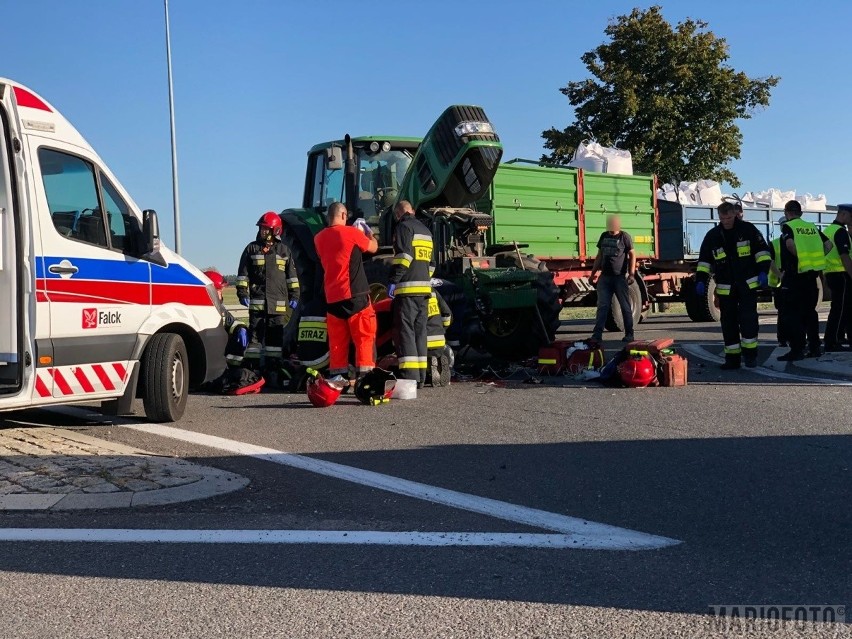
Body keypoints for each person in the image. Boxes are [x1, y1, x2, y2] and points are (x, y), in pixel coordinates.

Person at [695, 201, 771, 369]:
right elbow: (704, 261)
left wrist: (763, 271)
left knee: (748, 321)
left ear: (735, 214)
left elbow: (763, 252)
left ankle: (750, 356)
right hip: (725, 287)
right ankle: (732, 359)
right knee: (728, 324)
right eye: (722, 218)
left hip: (747, 285)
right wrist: (700, 280)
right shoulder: (713, 236)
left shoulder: (748, 230)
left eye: (729, 217)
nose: (726, 221)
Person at [314, 202, 378, 383]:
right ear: (343, 215)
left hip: (332, 298)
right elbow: (373, 248)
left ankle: (338, 378)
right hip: (355, 295)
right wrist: (371, 236)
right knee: (364, 337)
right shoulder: (352, 233)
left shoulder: (318, 238)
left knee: (337, 342)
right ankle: (366, 377)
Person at [236, 212, 300, 374]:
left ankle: (273, 368)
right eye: (262, 228)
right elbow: (243, 275)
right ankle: (253, 368)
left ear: (276, 230)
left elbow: (292, 277)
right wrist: (242, 293)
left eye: (266, 228)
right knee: (255, 338)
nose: (263, 231)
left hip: (277, 306)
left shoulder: (284, 251)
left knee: (275, 339)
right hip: (257, 304)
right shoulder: (251, 249)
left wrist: (295, 295)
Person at [776, 200, 832, 361]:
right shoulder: (812, 227)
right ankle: (815, 347)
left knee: (793, 315)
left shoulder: (788, 226)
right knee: (810, 313)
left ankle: (797, 349)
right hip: (812, 277)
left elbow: (790, 245)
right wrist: (816, 261)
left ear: (786, 213)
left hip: (795, 277)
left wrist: (801, 259)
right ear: (801, 213)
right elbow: (829, 245)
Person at [388, 200, 434, 387]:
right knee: (420, 334)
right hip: (424, 291)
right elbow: (431, 264)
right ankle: (422, 377)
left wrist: (393, 280)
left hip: (407, 291)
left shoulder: (403, 228)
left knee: (406, 334)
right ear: (412, 211)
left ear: (398, 214)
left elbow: (404, 257)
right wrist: (424, 280)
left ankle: (410, 378)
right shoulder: (426, 231)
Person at [589, 215, 636, 343]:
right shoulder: (604, 236)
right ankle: (597, 335)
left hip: (619, 278)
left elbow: (632, 255)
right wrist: (593, 273)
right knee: (602, 306)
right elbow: (599, 256)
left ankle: (629, 334)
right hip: (605, 278)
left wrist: (631, 274)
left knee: (625, 306)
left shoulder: (624, 237)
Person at [822, 204, 852, 351]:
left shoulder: (828, 230)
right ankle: (832, 341)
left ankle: (837, 338)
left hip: (831, 273)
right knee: (839, 309)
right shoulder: (840, 232)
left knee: (839, 308)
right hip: (841, 274)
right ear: (844, 215)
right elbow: (844, 256)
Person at [204, 269, 249, 368]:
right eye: (220, 290)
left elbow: (230, 321)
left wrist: (240, 327)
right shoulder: (204, 309)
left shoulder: (220, 308)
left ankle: (234, 372)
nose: (221, 294)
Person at [426, 282, 453, 387]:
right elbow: (447, 313)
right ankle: (439, 362)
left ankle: (430, 369)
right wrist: (443, 329)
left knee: (422, 359)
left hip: (424, 340)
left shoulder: (412, 296)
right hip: (440, 338)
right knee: (437, 353)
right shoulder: (433, 292)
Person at [766, 217, 788, 347]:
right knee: (784, 312)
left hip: (785, 280)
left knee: (787, 312)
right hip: (780, 282)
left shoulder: (776, 242)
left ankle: (785, 338)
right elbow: (771, 261)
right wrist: (780, 275)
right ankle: (783, 339)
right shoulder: (774, 243)